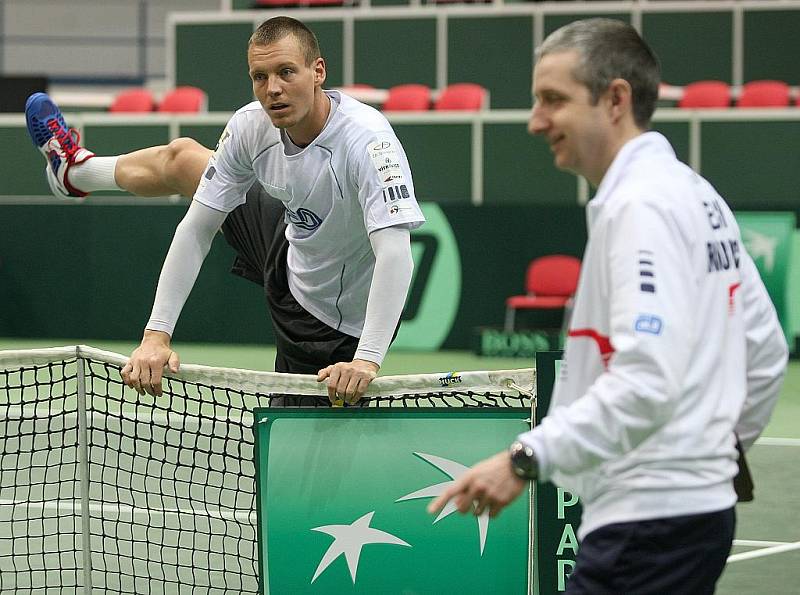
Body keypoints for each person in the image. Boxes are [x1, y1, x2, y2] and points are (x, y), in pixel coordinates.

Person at [428, 18, 788, 594]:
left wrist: (523, 459)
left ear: (615, 99)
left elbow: (646, 378)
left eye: (553, 100)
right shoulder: (695, 193)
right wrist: (714, 459)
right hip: (693, 512)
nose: (535, 121)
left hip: (646, 522)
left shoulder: (640, 207)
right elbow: (765, 350)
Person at [25, 17, 425, 405]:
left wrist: (366, 360)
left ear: (318, 71)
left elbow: (395, 253)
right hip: (288, 238)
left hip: (329, 323)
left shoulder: (368, 143)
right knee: (185, 160)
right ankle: (74, 171)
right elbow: (197, 228)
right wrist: (156, 336)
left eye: (287, 72)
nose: (273, 90)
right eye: (260, 77)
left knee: (289, 451)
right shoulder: (251, 125)